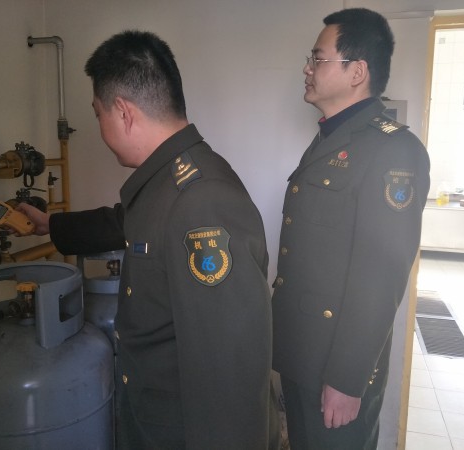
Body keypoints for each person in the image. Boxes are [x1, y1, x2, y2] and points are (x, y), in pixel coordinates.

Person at [18, 30, 279, 449]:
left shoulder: (202, 201)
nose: (100, 127)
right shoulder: (167, 181)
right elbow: (126, 222)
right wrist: (52, 224)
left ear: (123, 112)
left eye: (98, 114)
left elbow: (230, 372)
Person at [271, 8, 430, 450]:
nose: (307, 68)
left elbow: (382, 275)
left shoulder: (393, 150)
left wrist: (347, 379)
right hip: (302, 354)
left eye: (317, 58)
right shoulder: (331, 138)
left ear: (357, 72)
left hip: (335, 369)